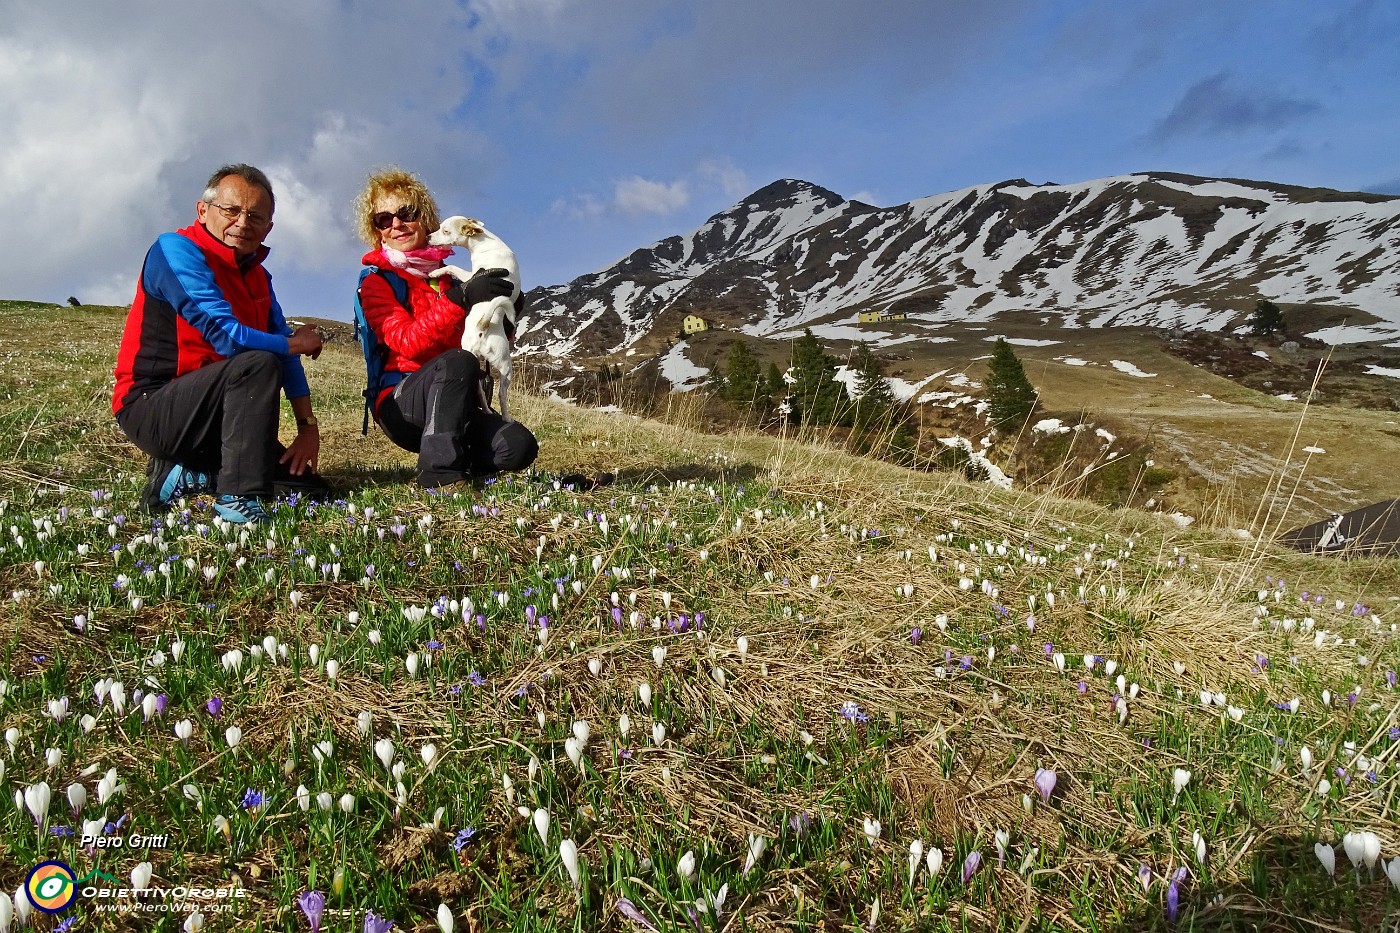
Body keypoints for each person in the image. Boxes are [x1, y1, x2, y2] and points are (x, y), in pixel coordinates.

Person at [113, 163, 327, 524]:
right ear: (203, 211)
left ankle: (192, 475)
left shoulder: (259, 276)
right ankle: (238, 501)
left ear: (268, 228)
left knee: (312, 490)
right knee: (258, 361)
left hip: (222, 419)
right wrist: (295, 343)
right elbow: (228, 338)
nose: (242, 222)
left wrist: (307, 428)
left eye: (255, 216)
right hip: (153, 407)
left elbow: (286, 354)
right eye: (231, 210)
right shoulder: (175, 250)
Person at [353, 167, 538, 488]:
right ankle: (439, 476)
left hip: (457, 401)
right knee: (457, 360)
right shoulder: (376, 282)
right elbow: (407, 343)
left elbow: (485, 340)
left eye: (406, 213)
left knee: (518, 446)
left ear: (425, 218)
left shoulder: (452, 279)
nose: (396, 224)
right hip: (401, 404)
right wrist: (459, 299)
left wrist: (508, 313)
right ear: (377, 231)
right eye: (383, 219)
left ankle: (456, 457)